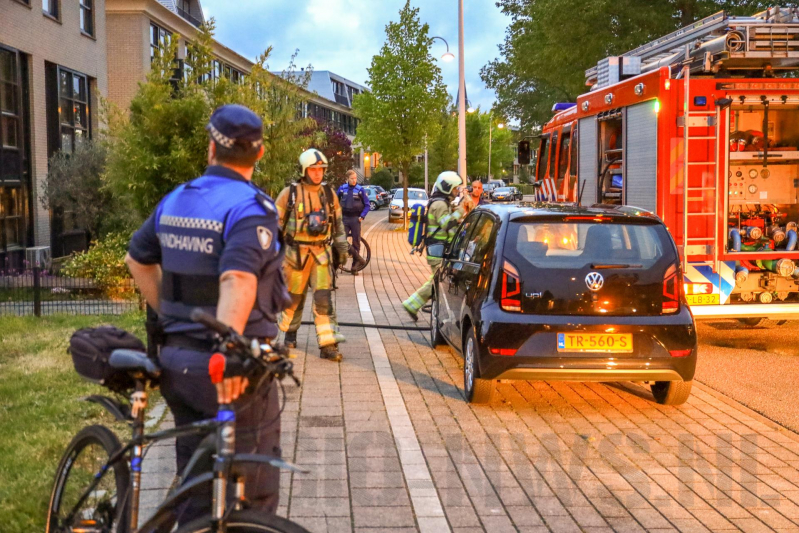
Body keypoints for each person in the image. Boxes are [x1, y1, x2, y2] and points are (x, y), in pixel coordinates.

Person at [125, 104, 289, 523]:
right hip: (229, 372)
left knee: (196, 486)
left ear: (211, 148)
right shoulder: (251, 207)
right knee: (251, 494)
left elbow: (138, 260)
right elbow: (238, 279)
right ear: (259, 153)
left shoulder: (177, 199)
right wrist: (227, 353)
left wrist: (171, 315)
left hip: (177, 365)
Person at [276, 148, 349, 361]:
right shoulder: (288, 195)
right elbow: (272, 226)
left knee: (323, 300)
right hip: (294, 257)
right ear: (303, 170)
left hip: (321, 256)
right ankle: (290, 332)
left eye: (321, 169)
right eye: (313, 169)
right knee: (293, 298)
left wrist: (342, 249)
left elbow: (338, 226)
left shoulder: (329, 195)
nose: (318, 173)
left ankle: (328, 345)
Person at [402, 171, 466, 320]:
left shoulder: (441, 202)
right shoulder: (439, 204)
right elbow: (446, 224)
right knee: (437, 281)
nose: (457, 191)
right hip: (437, 248)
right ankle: (411, 304)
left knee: (437, 280)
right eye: (455, 188)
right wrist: (461, 210)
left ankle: (413, 305)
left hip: (438, 247)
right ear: (447, 187)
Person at [337, 169, 370, 274]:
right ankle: (358, 258)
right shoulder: (342, 189)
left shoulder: (360, 190)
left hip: (356, 219)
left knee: (356, 242)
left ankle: (355, 266)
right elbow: (335, 202)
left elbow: (367, 205)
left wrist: (362, 216)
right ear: (347, 179)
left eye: (355, 178)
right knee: (342, 240)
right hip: (344, 218)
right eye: (352, 178)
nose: (354, 180)